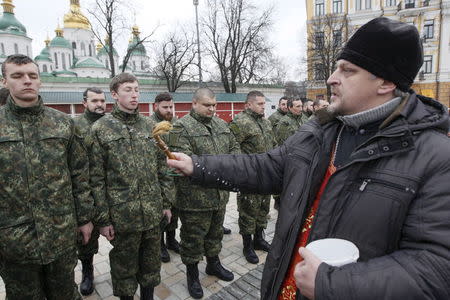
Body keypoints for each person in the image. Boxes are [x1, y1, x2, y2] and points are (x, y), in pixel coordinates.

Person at [167, 17, 450, 300]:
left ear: (386, 82)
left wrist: (333, 284)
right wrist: (198, 165)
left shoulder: (435, 157)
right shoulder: (322, 129)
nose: (331, 78)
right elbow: (266, 167)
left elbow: (436, 268)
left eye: (347, 70)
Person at [0, 54, 94, 299]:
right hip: (13, 241)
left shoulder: (63, 124)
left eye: (33, 75)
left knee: (65, 293)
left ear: (40, 80)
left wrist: (84, 219)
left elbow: (79, 174)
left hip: (60, 233)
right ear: (4, 81)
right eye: (18, 76)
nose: (27, 81)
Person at [89, 73, 174, 300]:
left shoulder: (150, 126)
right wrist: (103, 219)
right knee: (124, 268)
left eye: (136, 89)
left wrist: (166, 203)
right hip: (122, 217)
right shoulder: (100, 129)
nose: (134, 94)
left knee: (150, 264)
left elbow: (162, 167)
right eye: (127, 89)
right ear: (115, 95)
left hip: (151, 211)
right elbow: (96, 179)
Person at [168, 87, 240, 299]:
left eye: (214, 105)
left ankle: (213, 264)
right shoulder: (181, 127)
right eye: (207, 105)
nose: (212, 109)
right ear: (194, 103)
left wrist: (228, 167)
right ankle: (192, 275)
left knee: (215, 234)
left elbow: (235, 150)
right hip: (194, 198)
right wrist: (222, 167)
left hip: (219, 195)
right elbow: (183, 162)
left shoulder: (221, 125)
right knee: (192, 239)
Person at [229, 90, 277, 264]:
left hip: (266, 174)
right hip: (249, 176)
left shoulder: (264, 122)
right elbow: (232, 149)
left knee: (263, 208)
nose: (263, 107)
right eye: (260, 104)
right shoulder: (240, 122)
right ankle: (247, 245)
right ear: (248, 104)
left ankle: (259, 238)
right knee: (248, 210)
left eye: (264, 104)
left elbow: (273, 144)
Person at [74, 87, 106, 296]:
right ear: (84, 102)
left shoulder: (110, 124)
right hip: (86, 192)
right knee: (87, 240)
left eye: (102, 100)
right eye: (94, 100)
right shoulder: (75, 126)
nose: (100, 104)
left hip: (110, 190)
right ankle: (87, 272)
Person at [150, 92, 181, 263]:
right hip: (159, 176)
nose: (169, 110)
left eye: (171, 107)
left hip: (175, 174)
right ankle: (160, 245)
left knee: (174, 211)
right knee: (162, 212)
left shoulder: (176, 123)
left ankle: (171, 239)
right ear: (156, 106)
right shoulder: (150, 125)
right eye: (165, 107)